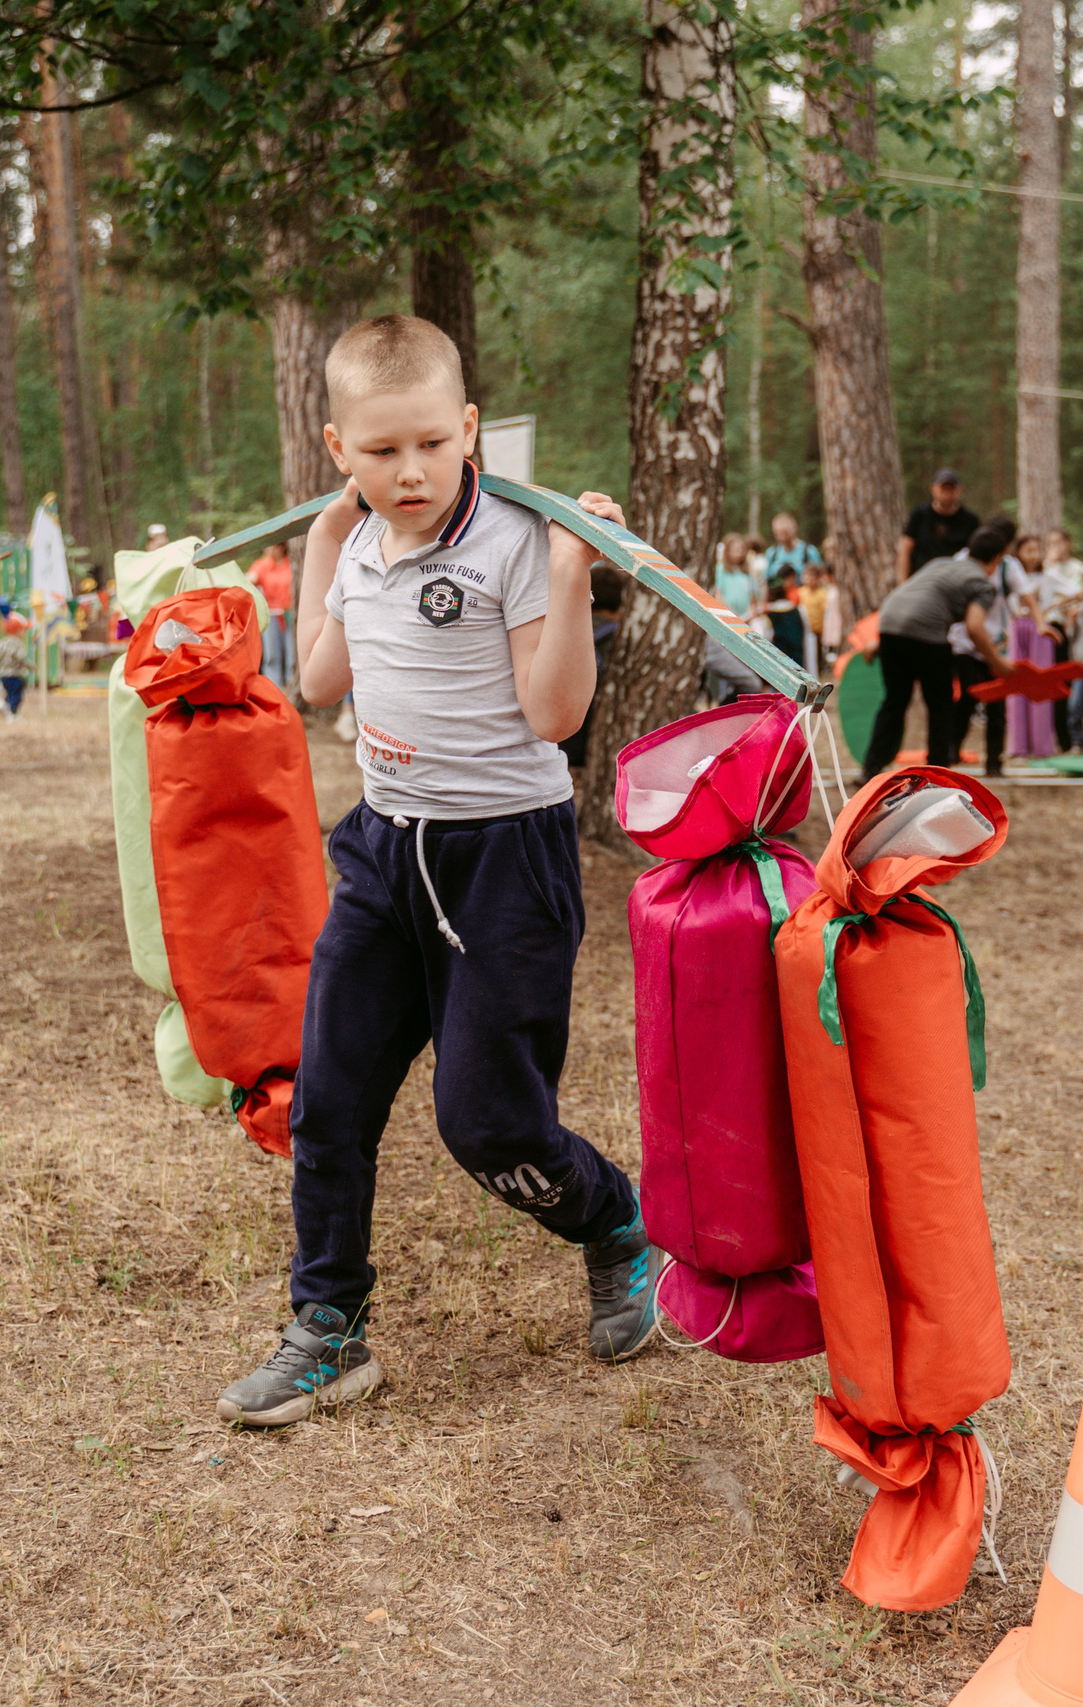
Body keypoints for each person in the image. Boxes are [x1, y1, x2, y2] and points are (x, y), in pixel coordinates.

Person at [231, 313, 655, 1428]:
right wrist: (324, 551)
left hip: (503, 861)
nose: (408, 471)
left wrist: (570, 575)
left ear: (468, 428)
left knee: (490, 1126)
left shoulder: (515, 538)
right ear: (338, 449)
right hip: (383, 851)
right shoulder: (359, 541)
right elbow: (321, 681)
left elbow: (555, 714)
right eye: (379, 452)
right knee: (326, 1104)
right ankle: (328, 1328)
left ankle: (616, 1221)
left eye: (429, 442)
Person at [863, 517, 1014, 778]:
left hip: (889, 623)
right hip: (925, 634)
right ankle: (938, 771)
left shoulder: (941, 563)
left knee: (895, 701)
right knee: (940, 704)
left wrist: (880, 641)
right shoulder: (982, 583)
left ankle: (870, 767)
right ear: (998, 558)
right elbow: (975, 627)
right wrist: (999, 664)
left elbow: (913, 599)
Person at [1047, 525, 1083, 750]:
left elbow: (1080, 599)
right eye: (1050, 543)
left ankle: (1079, 740)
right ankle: (1067, 739)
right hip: (1053, 632)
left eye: (1059, 542)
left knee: (1081, 697)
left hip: (1076, 642)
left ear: (1068, 544)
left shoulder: (1078, 569)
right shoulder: (1045, 567)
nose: (1055, 548)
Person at [1003, 533, 1058, 758]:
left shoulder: (1048, 577)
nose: (1034, 555)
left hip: (1039, 629)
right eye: (1029, 550)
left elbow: (1077, 592)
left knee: (1040, 683)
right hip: (1017, 628)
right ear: (1018, 553)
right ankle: (1018, 746)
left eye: (1038, 550)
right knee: (1016, 683)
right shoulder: (1012, 576)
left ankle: (1042, 746)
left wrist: (1052, 610)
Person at [898, 467, 980, 580]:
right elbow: (905, 549)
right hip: (921, 580)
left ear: (959, 490)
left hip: (955, 581)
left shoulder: (970, 520)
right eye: (943, 488)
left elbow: (977, 554)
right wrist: (902, 583)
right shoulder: (919, 515)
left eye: (950, 489)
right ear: (933, 489)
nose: (947, 493)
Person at [253, 542, 296, 690]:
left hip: (289, 613)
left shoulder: (291, 563)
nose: (269, 550)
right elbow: (251, 578)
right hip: (271, 614)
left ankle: (291, 685)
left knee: (292, 652)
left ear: (281, 548)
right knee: (271, 654)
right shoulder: (262, 564)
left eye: (273, 547)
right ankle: (274, 688)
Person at [799, 557, 843, 673]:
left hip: (818, 629)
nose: (810, 579)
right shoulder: (801, 592)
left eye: (813, 576)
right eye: (807, 576)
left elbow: (826, 612)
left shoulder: (823, 594)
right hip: (805, 629)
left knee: (818, 654)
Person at [763, 510, 822, 585]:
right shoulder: (771, 553)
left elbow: (820, 579)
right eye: (778, 534)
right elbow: (766, 579)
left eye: (785, 533)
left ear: (794, 528)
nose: (782, 537)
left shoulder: (809, 551)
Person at [0, 616, 32, 717]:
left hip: (3, 675)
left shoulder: (2, 643)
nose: (24, 633)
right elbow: (20, 657)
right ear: (17, 630)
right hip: (15, 674)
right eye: (23, 630)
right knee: (17, 694)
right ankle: (12, 713)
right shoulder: (18, 644)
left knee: (10, 692)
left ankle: (3, 704)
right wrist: (29, 666)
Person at [711, 532, 758, 619]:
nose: (739, 554)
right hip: (727, 615)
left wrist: (749, 613)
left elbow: (753, 595)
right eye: (735, 550)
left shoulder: (747, 571)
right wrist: (730, 612)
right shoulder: (721, 569)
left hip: (746, 616)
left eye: (741, 550)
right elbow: (718, 594)